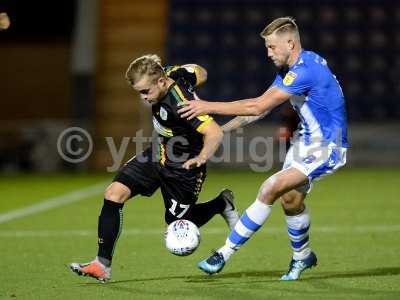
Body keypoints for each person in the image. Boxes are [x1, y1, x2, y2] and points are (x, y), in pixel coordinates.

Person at [178, 16, 348, 280]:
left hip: (327, 145)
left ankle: (223, 254)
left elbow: (257, 106)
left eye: (271, 47)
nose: (268, 53)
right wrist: (219, 131)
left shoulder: (305, 71)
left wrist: (206, 106)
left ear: (290, 43)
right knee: (289, 199)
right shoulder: (293, 68)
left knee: (269, 187)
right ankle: (303, 257)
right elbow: (257, 112)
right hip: (304, 142)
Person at [69, 54, 240, 283]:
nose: (143, 98)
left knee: (178, 224)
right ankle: (102, 265)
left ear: (160, 82)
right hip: (157, 154)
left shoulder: (181, 104)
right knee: (113, 194)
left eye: (145, 92)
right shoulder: (170, 72)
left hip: (184, 168)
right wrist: (189, 72)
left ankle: (221, 203)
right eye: (139, 92)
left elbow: (214, 132)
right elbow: (201, 71)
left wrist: (202, 156)